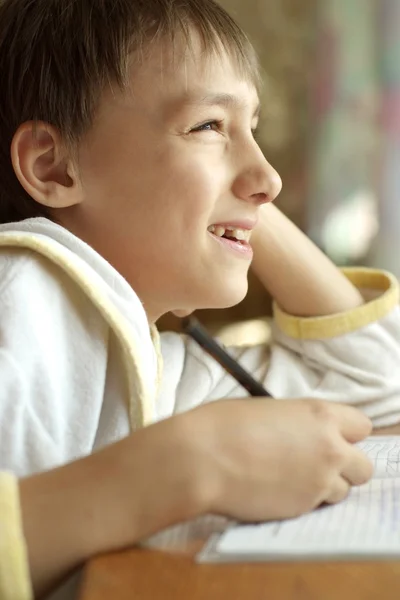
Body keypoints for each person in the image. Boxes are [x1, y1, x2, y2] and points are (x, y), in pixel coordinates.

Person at [0, 0, 399, 598]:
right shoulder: (22, 294)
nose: (271, 178)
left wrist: (242, 207)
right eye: (208, 126)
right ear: (53, 166)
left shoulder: (148, 361)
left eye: (253, 130)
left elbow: (375, 388)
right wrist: (186, 467)